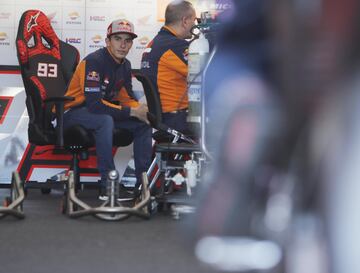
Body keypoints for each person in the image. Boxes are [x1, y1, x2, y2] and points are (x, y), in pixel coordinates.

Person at [63, 18, 152, 200]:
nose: (123, 44)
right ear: (107, 41)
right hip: (72, 113)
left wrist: (140, 109)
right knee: (105, 120)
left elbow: (125, 97)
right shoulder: (95, 62)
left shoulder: (125, 65)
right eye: (118, 39)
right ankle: (107, 185)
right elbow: (94, 104)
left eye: (127, 40)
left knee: (143, 124)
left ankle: (142, 185)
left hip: (97, 112)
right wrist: (131, 111)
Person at [140, 0, 197, 133]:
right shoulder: (175, 46)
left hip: (163, 117)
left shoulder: (155, 43)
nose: (195, 25)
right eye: (193, 20)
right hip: (178, 118)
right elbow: (207, 71)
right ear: (185, 21)